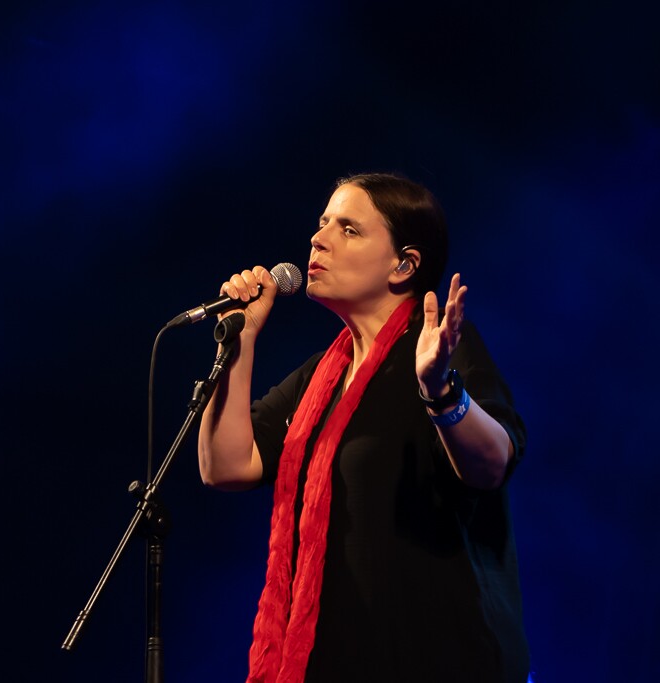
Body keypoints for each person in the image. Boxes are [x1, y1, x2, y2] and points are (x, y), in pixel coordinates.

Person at [197, 173, 529, 682]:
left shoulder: (440, 346)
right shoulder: (320, 377)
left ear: (404, 264)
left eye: (348, 229)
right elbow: (226, 466)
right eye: (323, 222)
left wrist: (440, 390)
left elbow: (493, 464)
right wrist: (240, 340)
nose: (318, 238)